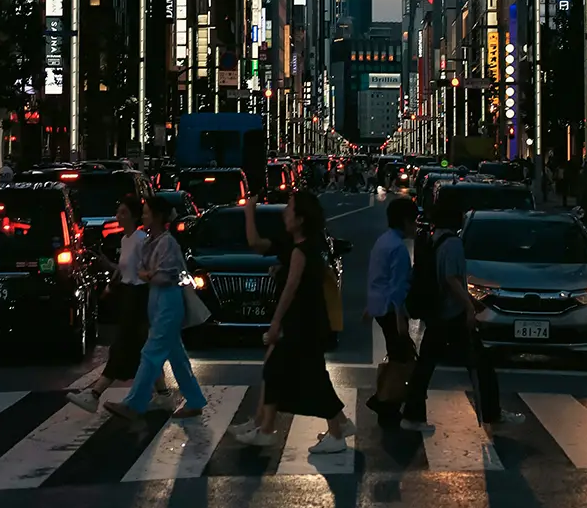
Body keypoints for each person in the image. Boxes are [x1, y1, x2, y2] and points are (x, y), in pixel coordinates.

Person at [235, 188, 353, 457]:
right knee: (302, 374)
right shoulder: (302, 245)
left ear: (300, 219)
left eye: (289, 208)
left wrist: (276, 323)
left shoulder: (302, 250)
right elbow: (261, 248)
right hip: (308, 322)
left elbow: (291, 288)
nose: (284, 213)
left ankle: (331, 432)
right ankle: (336, 426)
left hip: (303, 323)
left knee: (293, 373)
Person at [68, 196, 172, 414]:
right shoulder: (126, 240)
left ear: (134, 217)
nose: (118, 216)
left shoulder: (142, 240)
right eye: (118, 212)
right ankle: (163, 394)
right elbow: (126, 269)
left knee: (123, 346)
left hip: (140, 297)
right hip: (128, 295)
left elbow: (148, 270)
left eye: (123, 213)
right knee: (143, 349)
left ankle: (95, 394)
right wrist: (109, 272)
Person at [400, 207, 501, 433]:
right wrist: (468, 307)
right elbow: (451, 279)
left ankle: (412, 414)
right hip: (452, 314)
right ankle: (493, 414)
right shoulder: (453, 243)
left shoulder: (432, 239)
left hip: (436, 312)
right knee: (481, 364)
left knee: (426, 365)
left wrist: (471, 302)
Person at [110, 195, 206, 426]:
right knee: (176, 355)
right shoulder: (152, 241)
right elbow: (146, 272)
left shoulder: (167, 243)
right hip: (158, 299)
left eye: (146, 212)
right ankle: (194, 400)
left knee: (151, 352)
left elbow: (163, 277)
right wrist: (150, 274)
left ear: (157, 216)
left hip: (168, 301)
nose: (143, 216)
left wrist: (149, 274)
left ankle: (134, 403)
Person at [364, 195, 415, 427]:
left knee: (397, 355)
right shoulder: (399, 249)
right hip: (390, 310)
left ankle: (384, 400)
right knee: (401, 358)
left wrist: (369, 307)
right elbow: (397, 287)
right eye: (413, 221)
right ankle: (384, 401)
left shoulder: (382, 242)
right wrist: (400, 317)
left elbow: (377, 277)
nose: (415, 226)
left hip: (380, 308)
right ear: (405, 221)